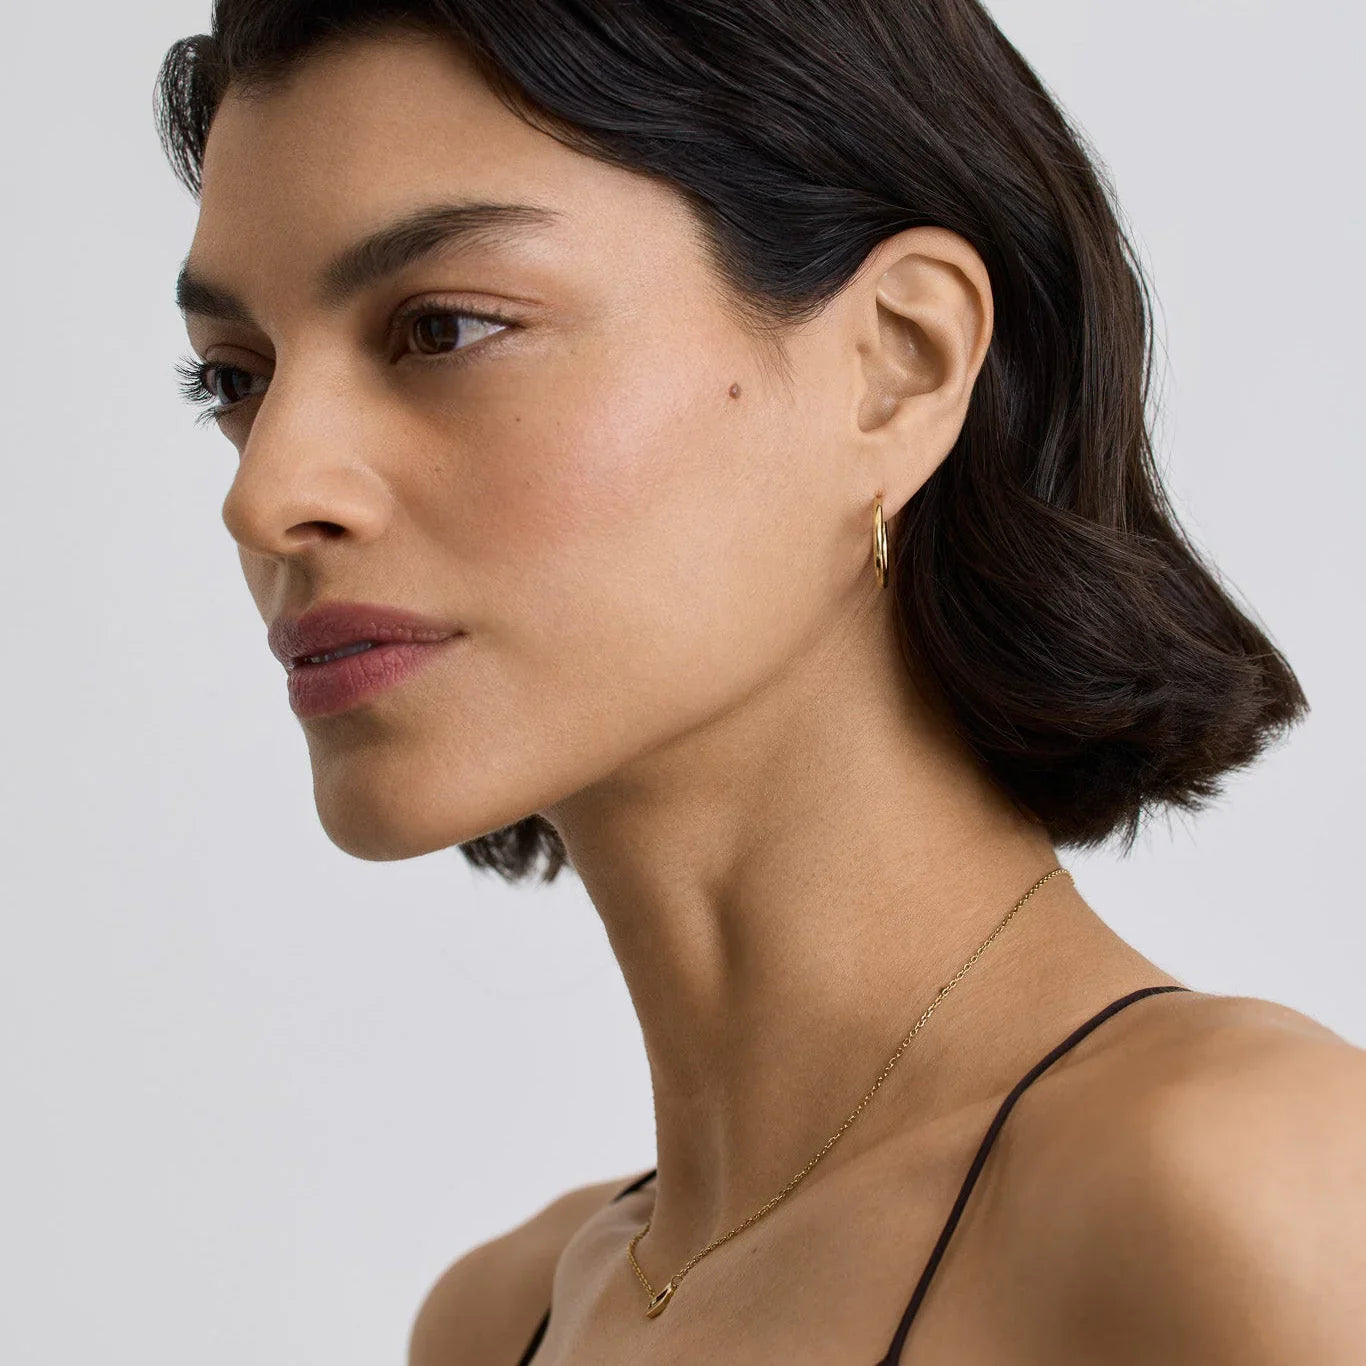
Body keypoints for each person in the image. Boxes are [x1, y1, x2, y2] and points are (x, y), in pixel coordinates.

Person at [155, 2, 1365, 1361]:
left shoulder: (1258, 1192)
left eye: (441, 327)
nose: (267, 492)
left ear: (894, 367)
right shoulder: (502, 1320)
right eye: (233, 378)